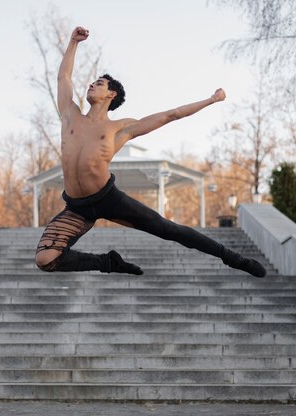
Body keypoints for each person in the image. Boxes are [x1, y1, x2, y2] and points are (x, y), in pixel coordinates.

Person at [34, 26, 266, 278]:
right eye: (91, 82)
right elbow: (63, 78)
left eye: (98, 83)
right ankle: (108, 262)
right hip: (76, 206)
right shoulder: (70, 115)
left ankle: (233, 258)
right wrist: (73, 43)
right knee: (45, 259)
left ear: (111, 94)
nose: (91, 85)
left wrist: (210, 100)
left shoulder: (120, 128)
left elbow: (170, 115)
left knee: (169, 229)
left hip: (108, 199)